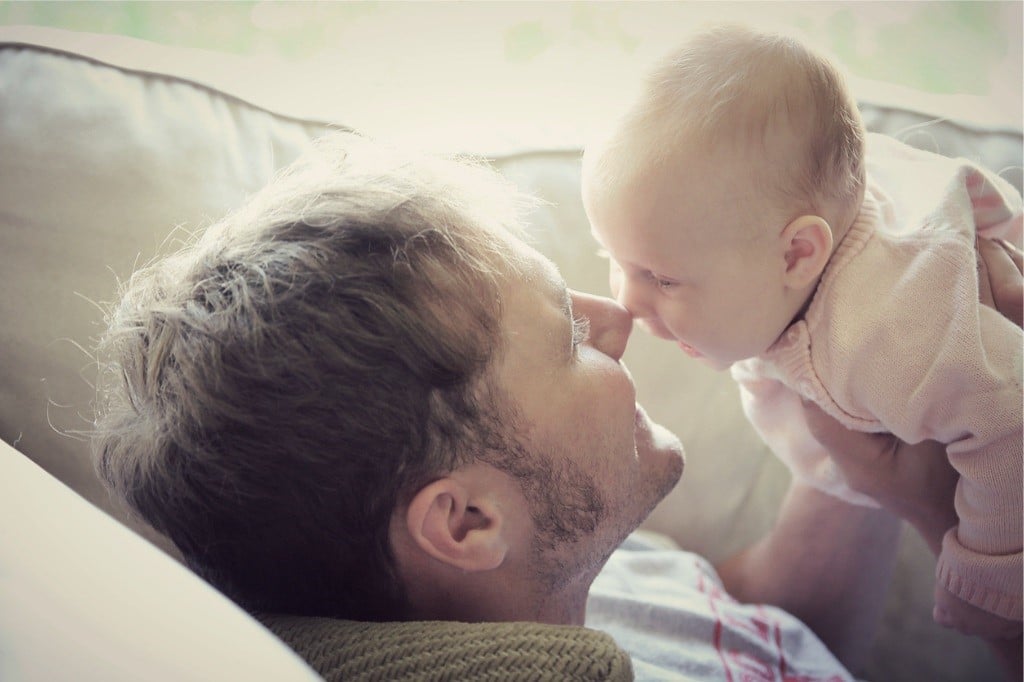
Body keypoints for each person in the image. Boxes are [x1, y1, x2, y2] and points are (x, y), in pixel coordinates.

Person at [91, 133, 1021, 680]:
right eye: (566, 340)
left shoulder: (553, 566)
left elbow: (755, 625)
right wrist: (967, 534)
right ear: (465, 520)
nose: (617, 319)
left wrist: (854, 455)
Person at [581, 23, 1023, 640]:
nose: (626, 303)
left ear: (797, 255)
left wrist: (991, 581)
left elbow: (1013, 416)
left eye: (661, 278)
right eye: (614, 258)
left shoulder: (884, 334)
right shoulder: (793, 226)